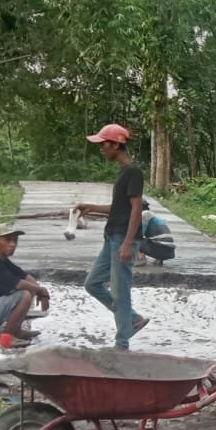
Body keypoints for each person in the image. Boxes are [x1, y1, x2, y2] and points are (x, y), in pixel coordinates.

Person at [81, 124, 149, 349]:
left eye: (104, 145)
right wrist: (91, 207)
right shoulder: (123, 172)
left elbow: (136, 209)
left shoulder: (134, 172)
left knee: (120, 291)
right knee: (92, 284)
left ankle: (122, 343)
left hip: (123, 239)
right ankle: (132, 319)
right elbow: (119, 208)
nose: (102, 149)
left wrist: (128, 243)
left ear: (116, 145)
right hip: (111, 238)